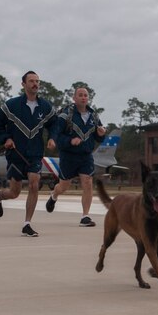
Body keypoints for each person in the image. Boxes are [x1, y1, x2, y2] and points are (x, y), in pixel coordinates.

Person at [0, 71, 57, 237]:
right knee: (14, 192)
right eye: (31, 81)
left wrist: (52, 138)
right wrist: (5, 138)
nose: (35, 84)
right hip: (15, 153)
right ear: (23, 84)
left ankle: (27, 224)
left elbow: (55, 124)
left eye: (37, 81)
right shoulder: (11, 106)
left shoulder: (46, 107)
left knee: (35, 183)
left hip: (35, 153)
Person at [45, 87, 106, 227]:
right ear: (74, 98)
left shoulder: (94, 116)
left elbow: (98, 137)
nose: (83, 97)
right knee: (64, 186)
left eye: (86, 95)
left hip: (86, 156)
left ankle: (85, 217)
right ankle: (54, 195)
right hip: (68, 156)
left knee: (88, 182)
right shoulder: (66, 115)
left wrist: (101, 134)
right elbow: (56, 134)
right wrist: (70, 141)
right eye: (80, 95)